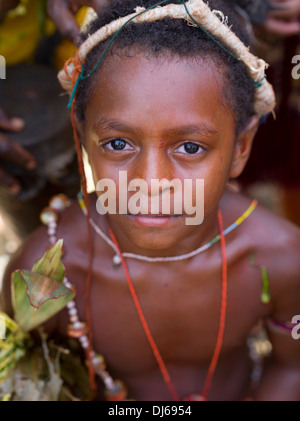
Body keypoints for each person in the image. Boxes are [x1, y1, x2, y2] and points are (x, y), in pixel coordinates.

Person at [1, 0, 300, 401]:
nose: (151, 183)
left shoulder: (280, 259)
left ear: (241, 148)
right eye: (119, 143)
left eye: (190, 147)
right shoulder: (46, 275)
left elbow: (291, 365)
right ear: (84, 136)